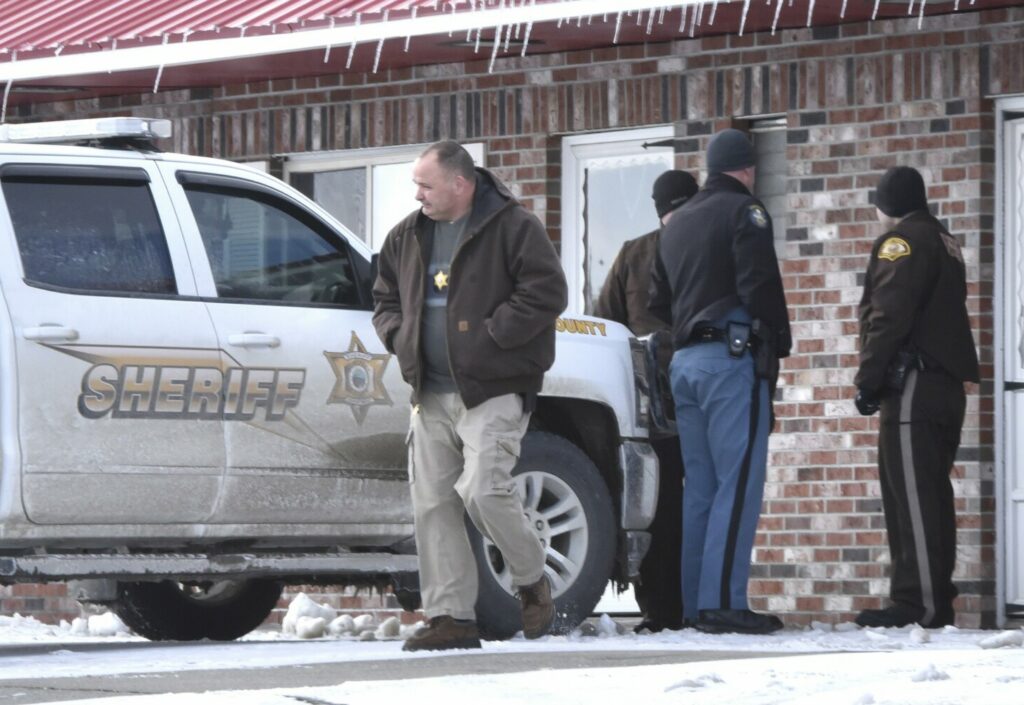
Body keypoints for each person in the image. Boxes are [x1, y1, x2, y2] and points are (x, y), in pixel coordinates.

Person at [372, 140, 568, 651]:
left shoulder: (513, 226)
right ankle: (451, 618)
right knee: (433, 504)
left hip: (494, 389)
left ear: (460, 184)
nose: (419, 195)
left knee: (483, 490)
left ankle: (531, 578)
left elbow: (547, 292)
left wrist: (490, 336)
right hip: (429, 392)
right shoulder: (407, 235)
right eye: (416, 184)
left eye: (426, 185)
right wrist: (398, 335)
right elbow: (383, 296)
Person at [649, 128, 791, 635]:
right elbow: (760, 287)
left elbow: (656, 299)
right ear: (748, 169)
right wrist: (779, 342)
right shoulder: (745, 212)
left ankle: (695, 605)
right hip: (730, 361)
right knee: (739, 482)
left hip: (685, 363)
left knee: (701, 490)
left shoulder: (677, 221)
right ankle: (723, 604)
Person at [853, 166, 979, 629]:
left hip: (913, 387)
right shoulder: (945, 240)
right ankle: (931, 598)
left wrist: (868, 380)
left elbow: (889, 315)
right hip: (944, 388)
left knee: (912, 497)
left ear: (887, 203)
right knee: (932, 494)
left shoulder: (901, 242)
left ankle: (918, 604)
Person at [594, 169, 698, 632]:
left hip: (650, 401)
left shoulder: (633, 254)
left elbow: (605, 328)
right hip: (703, 393)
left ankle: (660, 608)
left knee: (655, 505)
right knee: (706, 499)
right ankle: (703, 601)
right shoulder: (706, 247)